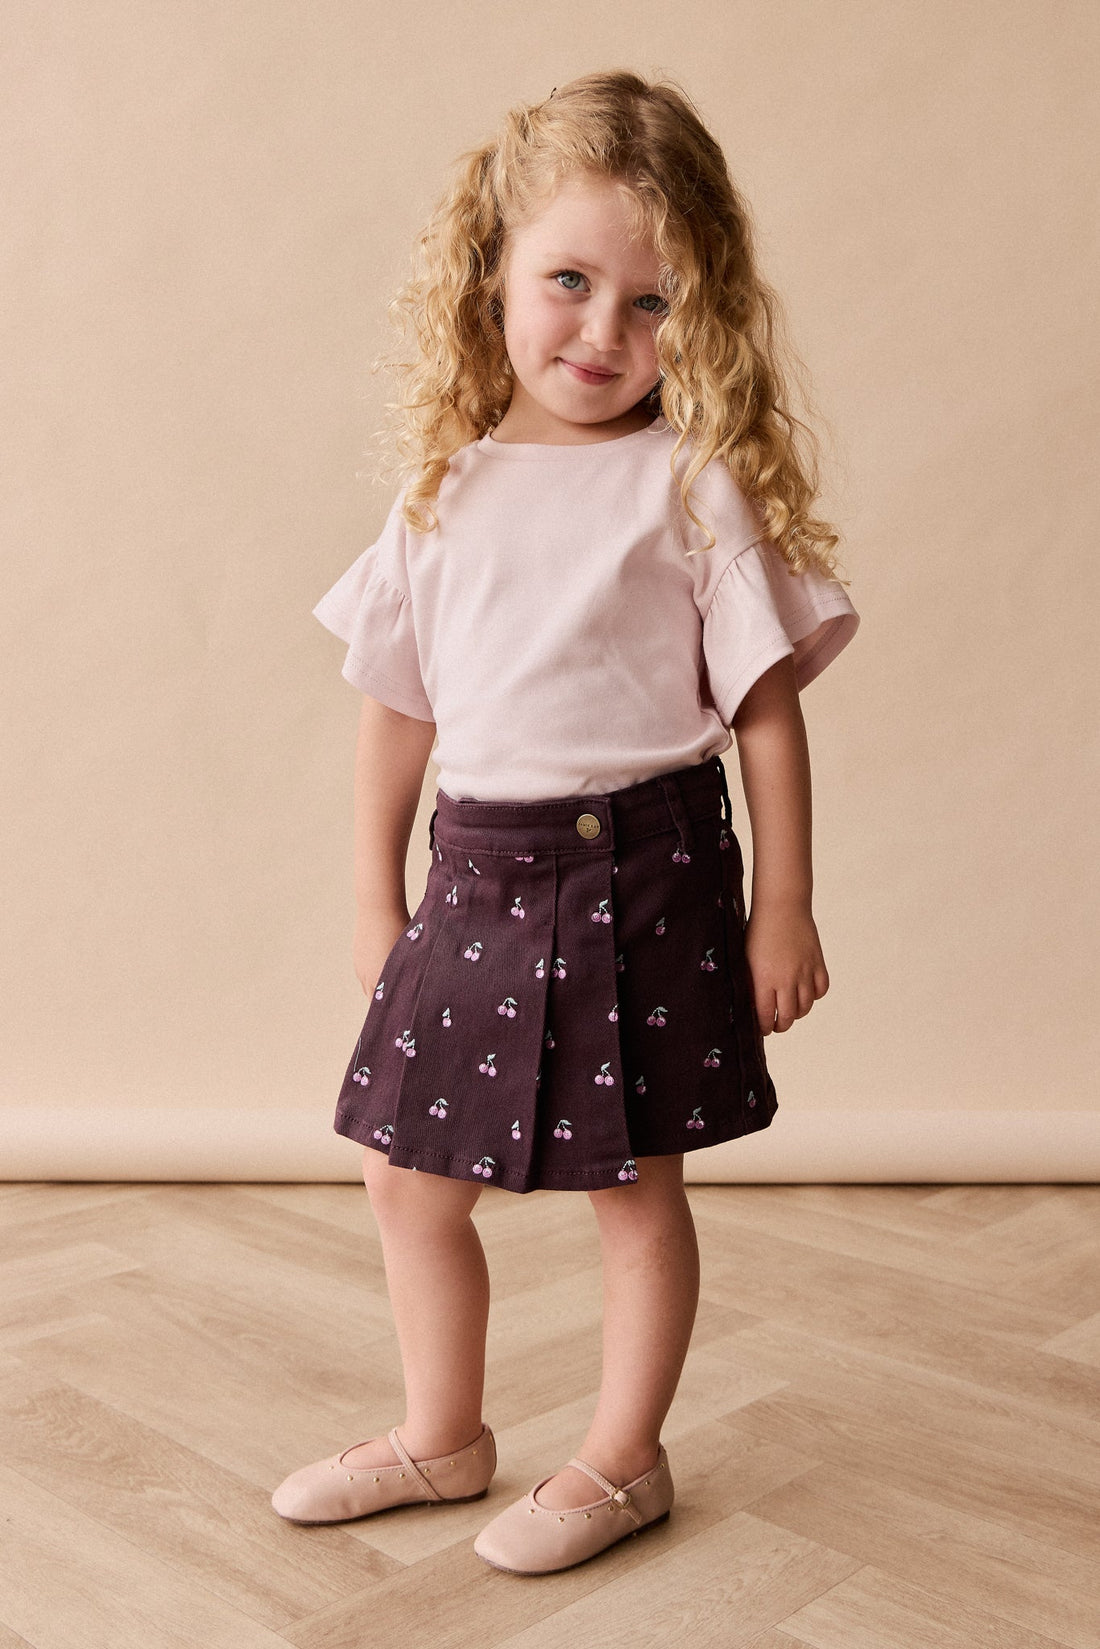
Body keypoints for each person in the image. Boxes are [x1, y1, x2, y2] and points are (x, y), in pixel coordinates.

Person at [271, 69, 858, 1575]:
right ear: (494, 277)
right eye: (571, 283)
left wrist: (783, 907)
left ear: (699, 318)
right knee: (406, 1175)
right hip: (475, 873)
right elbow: (396, 709)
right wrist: (372, 891)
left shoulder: (691, 488)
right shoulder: (441, 493)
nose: (605, 333)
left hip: (643, 868)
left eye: (652, 303)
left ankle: (622, 1457)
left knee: (633, 1184)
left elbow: (767, 716)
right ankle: (442, 1432)